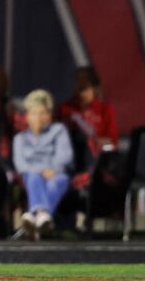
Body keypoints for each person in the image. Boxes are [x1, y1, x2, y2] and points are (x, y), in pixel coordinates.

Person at [13, 90, 73, 238]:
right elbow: (20, 164)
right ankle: (42, 217)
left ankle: (34, 215)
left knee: (58, 181)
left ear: (50, 114)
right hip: (33, 176)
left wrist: (53, 170)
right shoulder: (20, 138)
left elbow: (65, 156)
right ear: (27, 116)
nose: (39, 118)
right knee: (33, 176)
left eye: (43, 113)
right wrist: (41, 171)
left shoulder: (58, 130)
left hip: (55, 174)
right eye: (34, 113)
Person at [58, 67, 119, 158]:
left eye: (85, 89)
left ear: (95, 88)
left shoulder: (106, 109)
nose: (81, 94)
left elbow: (112, 142)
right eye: (78, 89)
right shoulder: (65, 108)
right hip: (74, 158)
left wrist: (96, 144)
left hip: (99, 158)